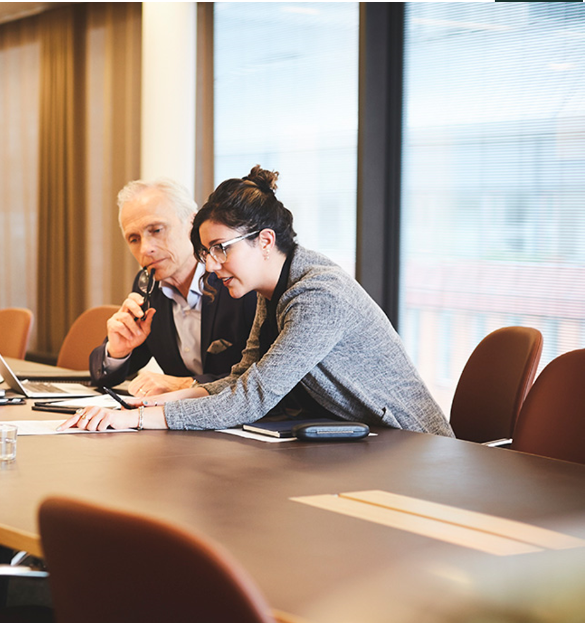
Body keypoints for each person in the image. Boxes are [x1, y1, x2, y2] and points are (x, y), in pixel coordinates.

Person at [63, 166, 453, 437]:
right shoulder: (274, 290)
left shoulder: (318, 294)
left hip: (413, 446)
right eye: (206, 252)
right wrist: (142, 409)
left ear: (264, 241)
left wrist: (137, 421)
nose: (212, 265)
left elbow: (254, 396)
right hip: (365, 444)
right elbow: (240, 378)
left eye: (220, 249)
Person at [89, 179, 257, 397]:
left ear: (193, 225)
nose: (146, 249)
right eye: (134, 239)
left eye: (157, 230)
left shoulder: (237, 280)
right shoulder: (146, 289)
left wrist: (186, 385)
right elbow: (104, 377)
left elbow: (266, 377)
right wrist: (117, 352)